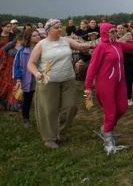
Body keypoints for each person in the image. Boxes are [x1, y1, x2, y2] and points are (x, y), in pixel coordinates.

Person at [27, 18, 94, 149]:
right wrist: (36, 73)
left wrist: (95, 43)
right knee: (49, 110)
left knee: (71, 107)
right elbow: (31, 63)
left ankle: (61, 131)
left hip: (68, 79)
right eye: (56, 28)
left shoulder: (66, 41)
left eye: (60, 27)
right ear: (48, 30)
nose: (60, 29)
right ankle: (49, 138)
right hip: (48, 82)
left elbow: (80, 46)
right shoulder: (42, 44)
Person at [85, 23, 133, 154]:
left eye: (115, 31)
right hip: (105, 84)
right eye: (111, 31)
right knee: (110, 112)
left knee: (122, 108)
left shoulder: (118, 45)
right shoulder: (101, 47)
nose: (114, 33)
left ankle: (106, 129)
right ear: (104, 32)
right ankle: (108, 144)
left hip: (119, 82)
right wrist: (87, 86)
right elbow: (92, 68)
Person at [0, 34, 23, 111]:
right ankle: (3, 101)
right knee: (5, 85)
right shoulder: (11, 44)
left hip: (18, 70)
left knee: (15, 86)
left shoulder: (27, 46)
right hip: (7, 70)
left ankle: (13, 104)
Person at [13, 28, 41, 127]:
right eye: (34, 35)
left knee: (41, 100)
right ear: (28, 38)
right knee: (27, 100)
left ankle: (42, 120)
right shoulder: (22, 51)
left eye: (38, 35)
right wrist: (18, 79)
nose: (37, 36)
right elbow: (16, 65)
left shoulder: (43, 47)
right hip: (27, 78)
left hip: (41, 77)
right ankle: (26, 118)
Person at [117, 23, 133, 107]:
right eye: (119, 28)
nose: (121, 29)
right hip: (127, 62)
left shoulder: (132, 35)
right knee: (128, 80)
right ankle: (128, 98)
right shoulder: (118, 39)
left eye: (122, 28)